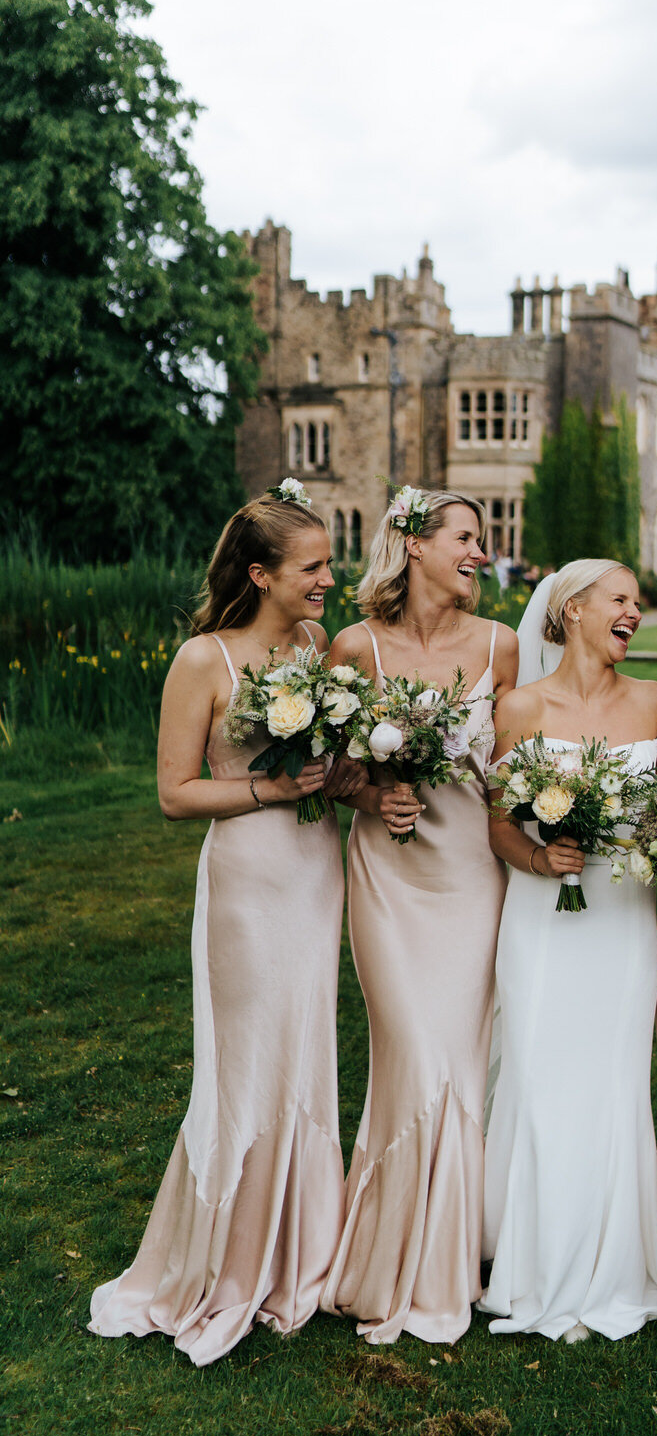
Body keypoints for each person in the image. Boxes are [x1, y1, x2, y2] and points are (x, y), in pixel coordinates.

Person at [89, 483, 364, 1365]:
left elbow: (330, 763)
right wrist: (272, 790)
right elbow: (174, 793)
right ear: (261, 573)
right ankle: (224, 1258)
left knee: (305, 1047)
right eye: (313, 567)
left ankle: (302, 1252)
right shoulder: (203, 660)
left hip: (317, 873)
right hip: (249, 881)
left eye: (329, 563)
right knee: (246, 1062)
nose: (330, 578)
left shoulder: (318, 646)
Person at [320, 488, 518, 1344]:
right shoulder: (353, 647)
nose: (481, 552)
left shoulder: (501, 648)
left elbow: (519, 774)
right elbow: (323, 770)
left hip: (474, 875)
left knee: (462, 1061)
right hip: (390, 878)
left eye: (481, 539)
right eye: (466, 538)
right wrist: (375, 792)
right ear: (413, 544)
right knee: (411, 1051)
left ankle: (456, 1248)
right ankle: (393, 1245)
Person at [478, 559, 657, 1342]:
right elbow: (498, 825)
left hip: (623, 918)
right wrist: (538, 858)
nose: (635, 611)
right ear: (573, 610)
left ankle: (615, 1261)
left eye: (638, 602)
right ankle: (530, 1263)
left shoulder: (654, 701)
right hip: (541, 917)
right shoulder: (519, 706)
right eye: (620, 599)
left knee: (614, 1078)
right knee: (537, 1072)